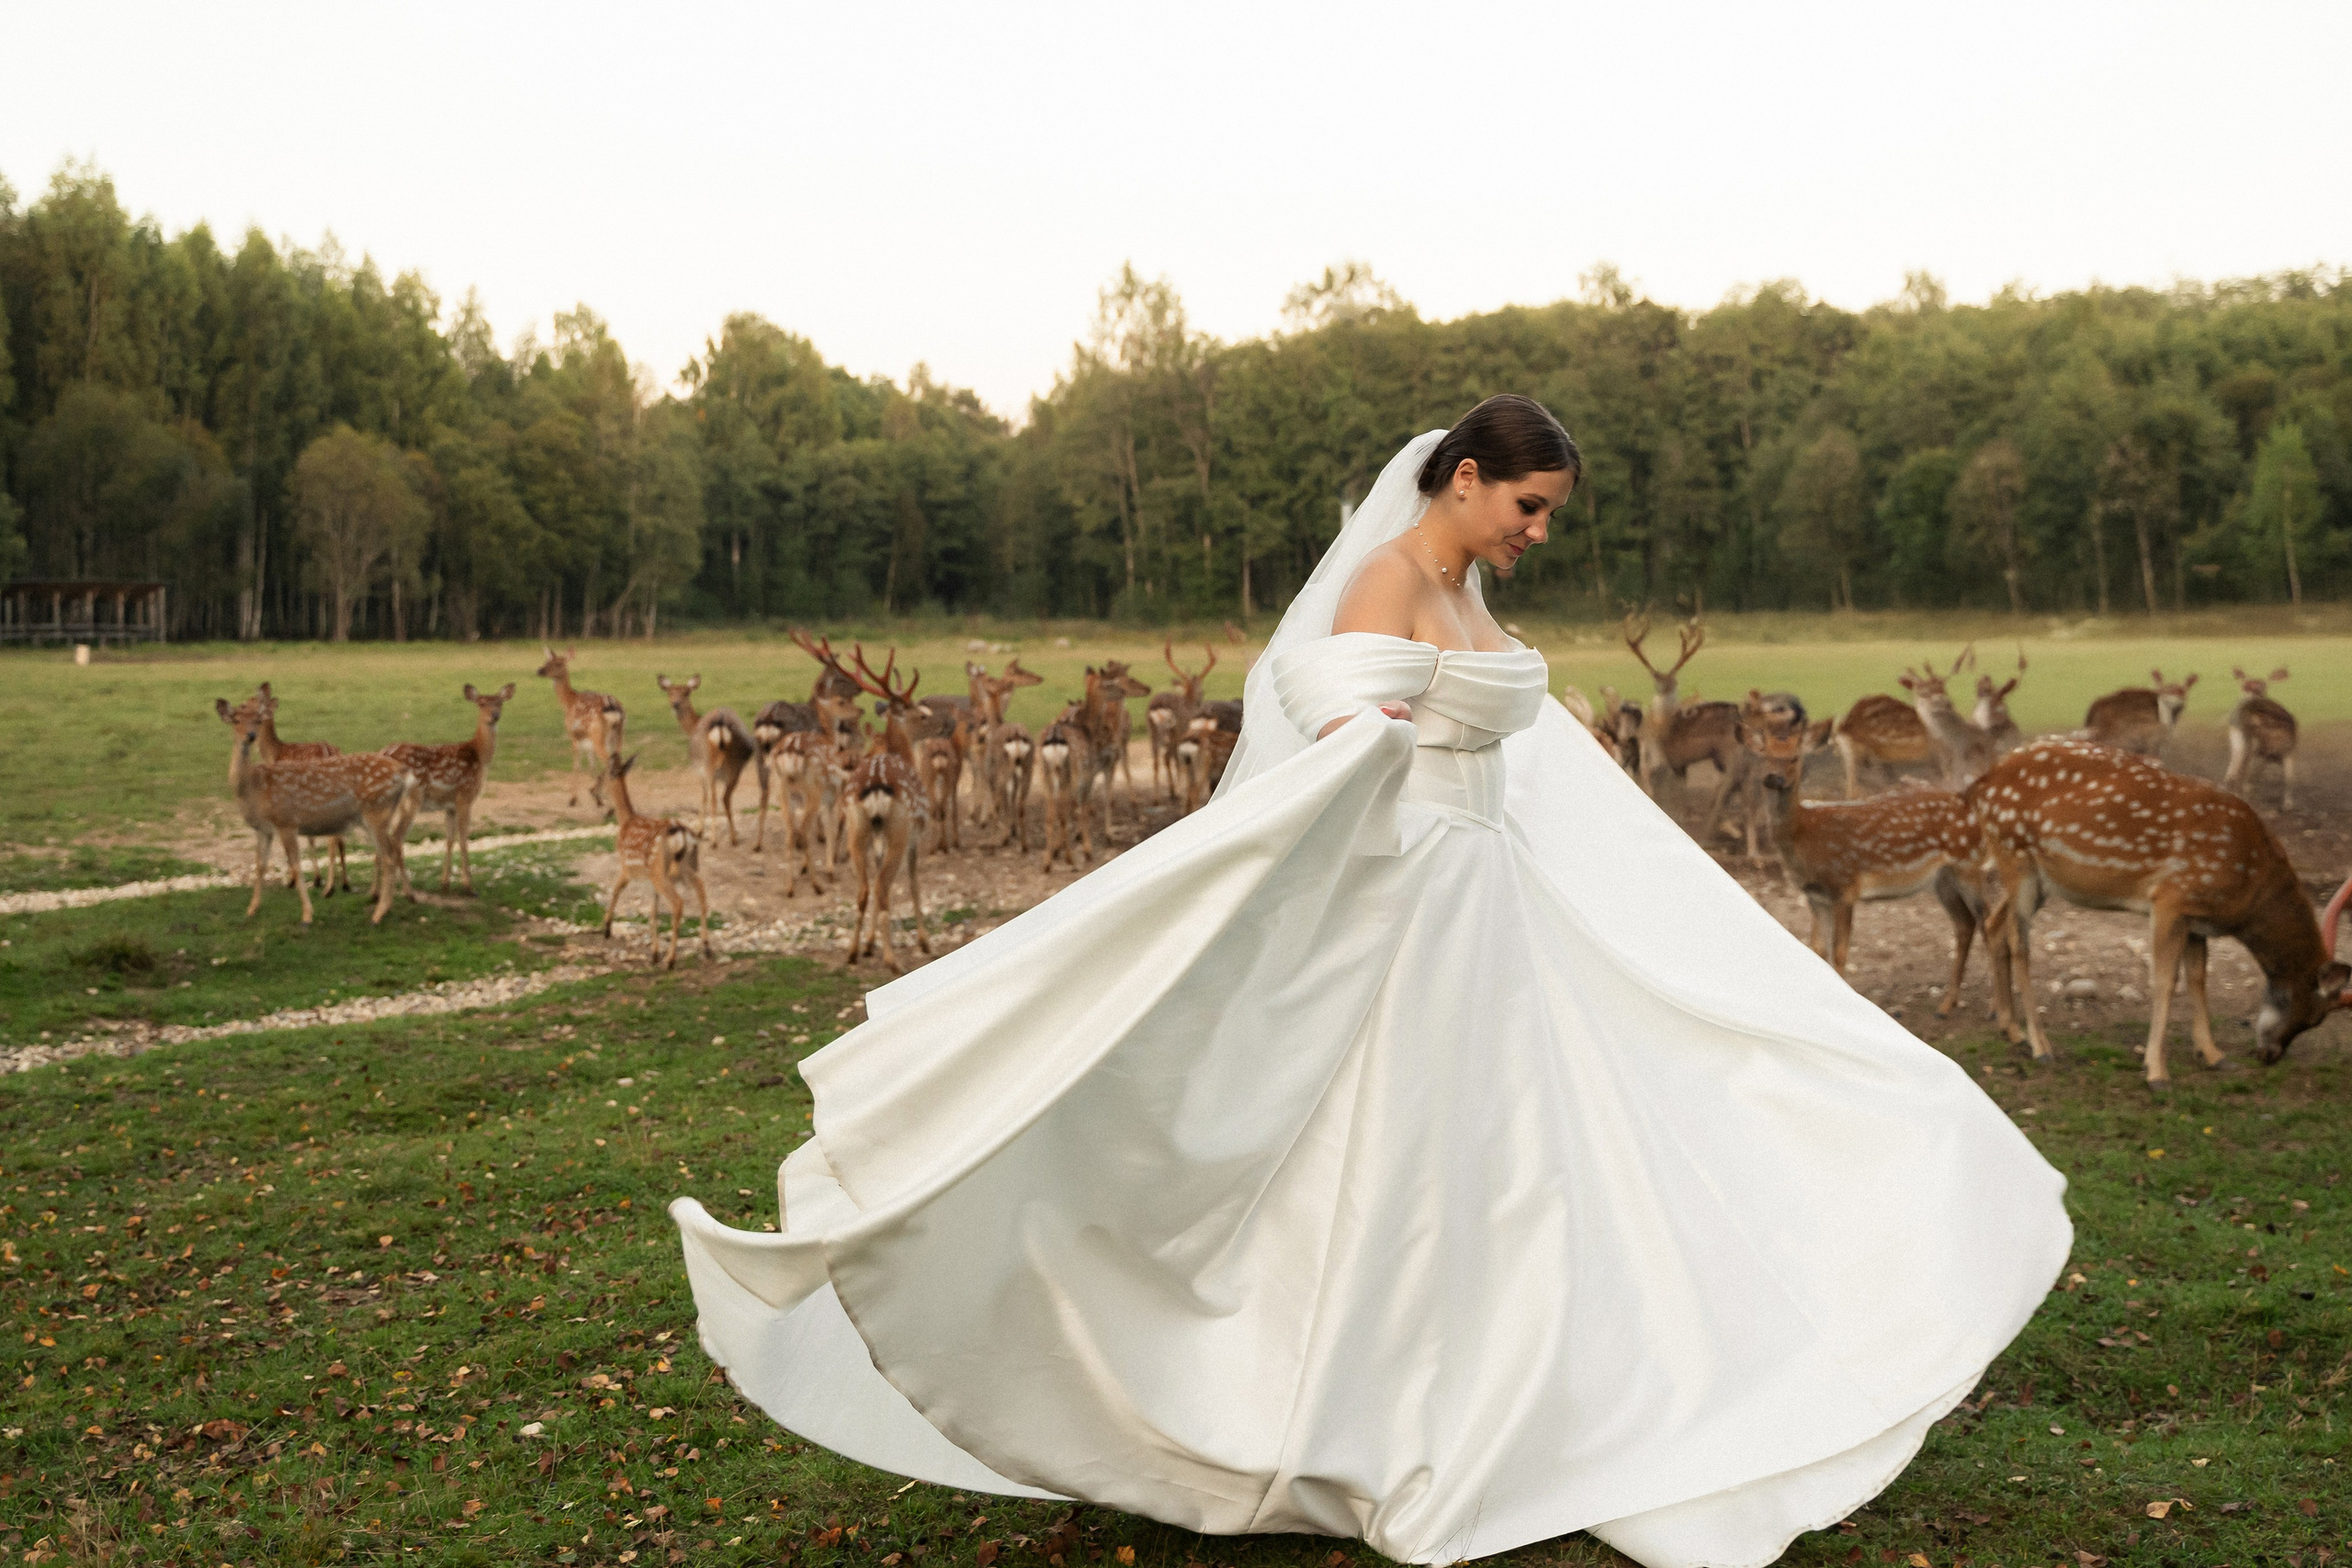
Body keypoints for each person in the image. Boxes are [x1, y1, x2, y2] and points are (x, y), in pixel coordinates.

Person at [671, 396, 2070, 1568]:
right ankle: (1379, 1404)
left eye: (1548, 513)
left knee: (1554, 1149)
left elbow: (1524, 754)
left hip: (1498, 895)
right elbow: (1332, 717)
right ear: (1462, 479)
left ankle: (1542, 1386)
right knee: (1417, 1163)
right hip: (1414, 902)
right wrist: (1372, 735)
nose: (1537, 533)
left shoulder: (1461, 589)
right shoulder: (1388, 582)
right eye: (1526, 505)